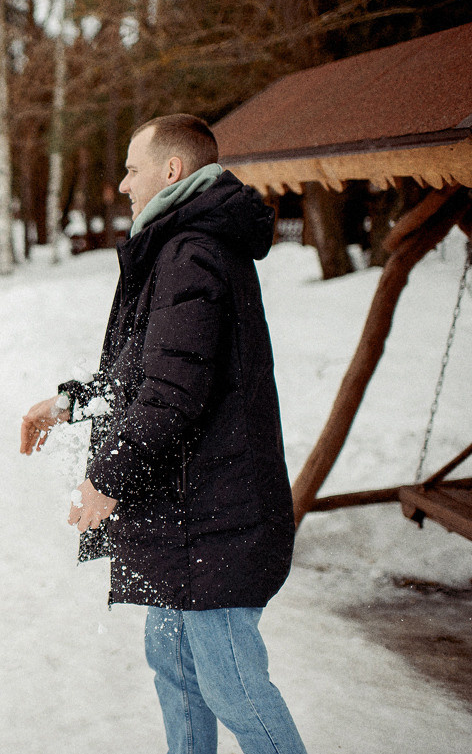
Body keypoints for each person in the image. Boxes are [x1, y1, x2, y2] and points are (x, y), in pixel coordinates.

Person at [20, 114, 307, 754]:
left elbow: (171, 394)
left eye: (131, 168)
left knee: (232, 688)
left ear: (171, 171)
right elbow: (143, 369)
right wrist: (71, 403)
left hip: (213, 518)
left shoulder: (191, 251)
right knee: (177, 676)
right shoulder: (177, 246)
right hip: (182, 520)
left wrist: (105, 478)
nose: (122, 184)